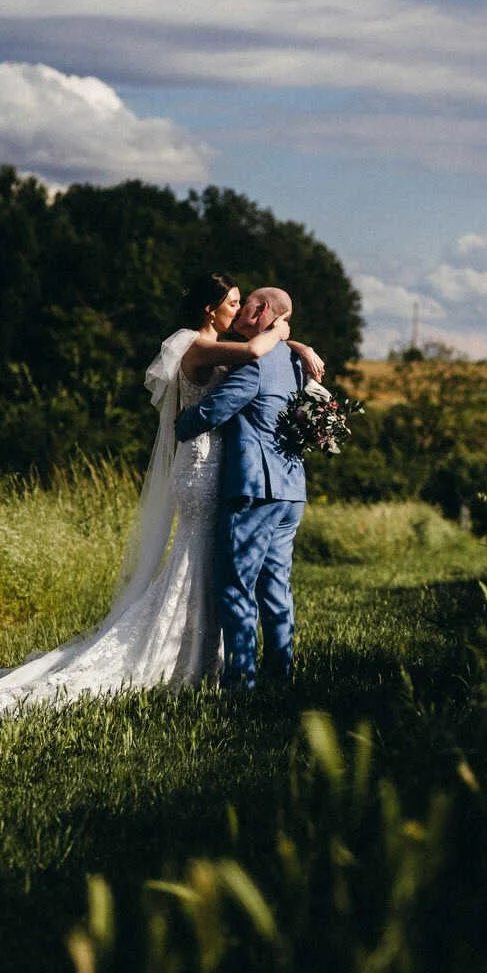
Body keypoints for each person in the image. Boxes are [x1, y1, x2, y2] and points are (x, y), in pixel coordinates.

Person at [0, 274, 324, 720]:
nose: (238, 311)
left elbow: (239, 375)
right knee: (224, 571)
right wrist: (288, 335)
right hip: (216, 472)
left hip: (232, 475)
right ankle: (224, 667)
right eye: (233, 303)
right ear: (210, 309)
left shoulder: (236, 354)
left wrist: (289, 339)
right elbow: (258, 352)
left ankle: (218, 667)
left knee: (219, 574)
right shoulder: (201, 347)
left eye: (245, 305)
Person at [173, 286, 308, 691]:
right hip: (291, 489)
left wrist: (175, 425)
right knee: (275, 585)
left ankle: (241, 682)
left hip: (255, 490)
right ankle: (280, 674)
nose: (239, 310)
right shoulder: (296, 362)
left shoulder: (255, 365)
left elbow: (213, 411)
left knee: (236, 585)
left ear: (262, 310)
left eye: (245, 303)